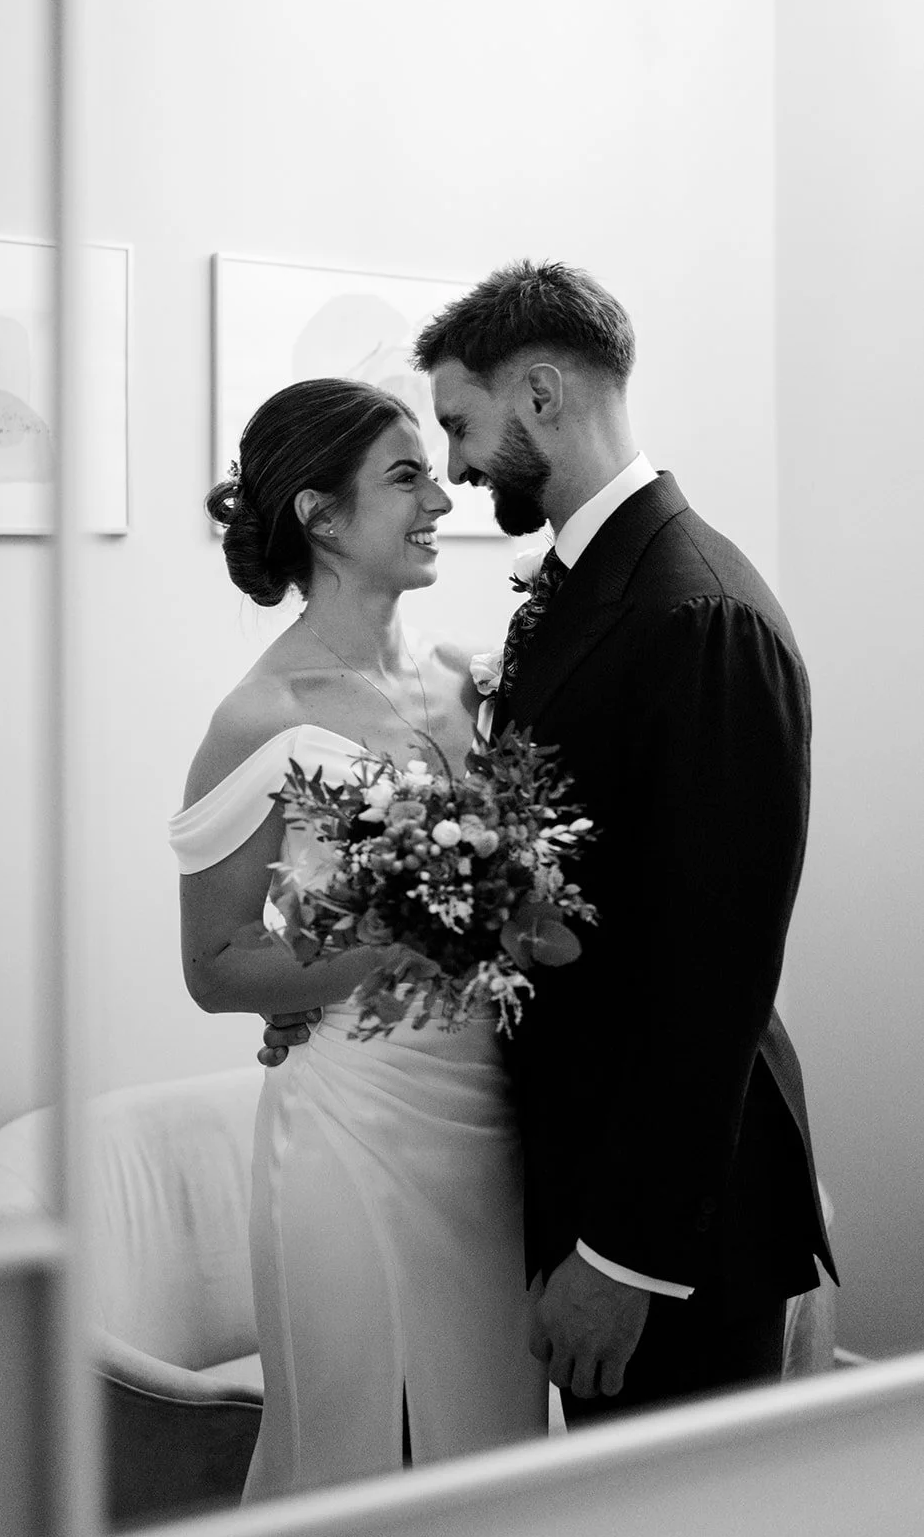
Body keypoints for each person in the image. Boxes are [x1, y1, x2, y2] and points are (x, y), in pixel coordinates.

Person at [264, 261, 838, 1425]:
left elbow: (713, 977)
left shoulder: (700, 614)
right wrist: (336, 967)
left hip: (674, 1222)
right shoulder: (588, 588)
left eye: (463, 428)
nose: (460, 470)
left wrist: (625, 1259)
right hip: (570, 1168)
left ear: (539, 393)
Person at [169, 377, 549, 1503]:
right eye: (407, 477)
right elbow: (214, 963)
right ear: (321, 517)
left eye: (435, 470)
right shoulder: (261, 717)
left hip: (490, 1120)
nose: (445, 495)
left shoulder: (462, 681)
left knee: (491, 1453)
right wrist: (399, 946)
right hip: (351, 1124)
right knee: (356, 1455)